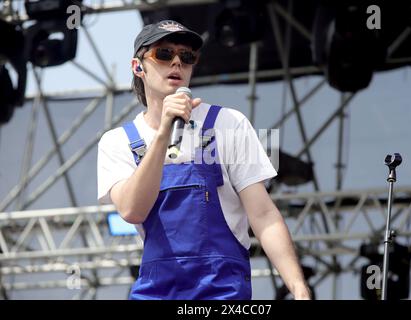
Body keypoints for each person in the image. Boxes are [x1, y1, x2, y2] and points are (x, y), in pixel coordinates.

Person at [97, 19, 311, 300]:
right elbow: (132, 211)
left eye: (187, 57)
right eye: (164, 54)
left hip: (223, 291)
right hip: (156, 292)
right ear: (138, 66)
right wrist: (163, 132)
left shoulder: (228, 122)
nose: (177, 63)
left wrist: (298, 286)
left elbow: (263, 214)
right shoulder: (118, 140)